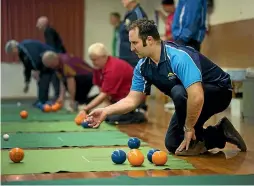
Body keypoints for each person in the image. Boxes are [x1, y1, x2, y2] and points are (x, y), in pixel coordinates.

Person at [85, 19, 247, 156]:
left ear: (149, 40)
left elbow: (196, 96)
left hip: (219, 91)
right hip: (188, 97)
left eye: (135, 43)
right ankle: (221, 132)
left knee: (178, 92)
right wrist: (106, 111)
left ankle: (195, 133)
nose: (132, 48)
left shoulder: (178, 56)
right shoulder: (142, 67)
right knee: (173, 144)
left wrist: (189, 127)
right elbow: (132, 100)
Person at [77, 42, 146, 124]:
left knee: (111, 118)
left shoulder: (112, 69)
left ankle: (139, 112)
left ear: (104, 57)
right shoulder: (98, 67)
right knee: (102, 114)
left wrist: (85, 109)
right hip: (116, 99)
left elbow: (103, 94)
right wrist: (106, 105)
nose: (93, 62)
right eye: (92, 59)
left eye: (95, 59)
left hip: (132, 100)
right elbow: (101, 88)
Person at [5, 39, 60, 104]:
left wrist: (36, 71)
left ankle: (58, 100)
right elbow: (27, 68)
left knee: (55, 79)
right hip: (44, 65)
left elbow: (34, 56)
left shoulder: (25, 46)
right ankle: (42, 101)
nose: (13, 55)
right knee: (42, 81)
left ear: (14, 48)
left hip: (52, 58)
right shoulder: (21, 53)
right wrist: (27, 82)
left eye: (11, 53)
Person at [119, 0, 147, 67]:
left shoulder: (138, 13)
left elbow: (141, 35)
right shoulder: (129, 14)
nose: (121, 1)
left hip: (133, 57)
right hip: (125, 55)